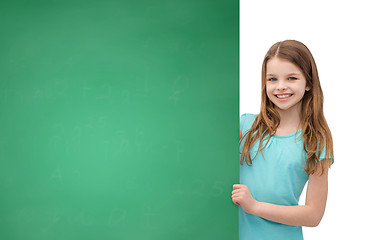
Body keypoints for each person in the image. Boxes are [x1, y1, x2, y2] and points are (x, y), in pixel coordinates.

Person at [231, 40, 334, 240]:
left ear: (309, 83)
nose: (281, 87)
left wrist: (255, 206)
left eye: (292, 78)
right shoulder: (246, 126)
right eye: (272, 79)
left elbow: (313, 215)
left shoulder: (316, 140)